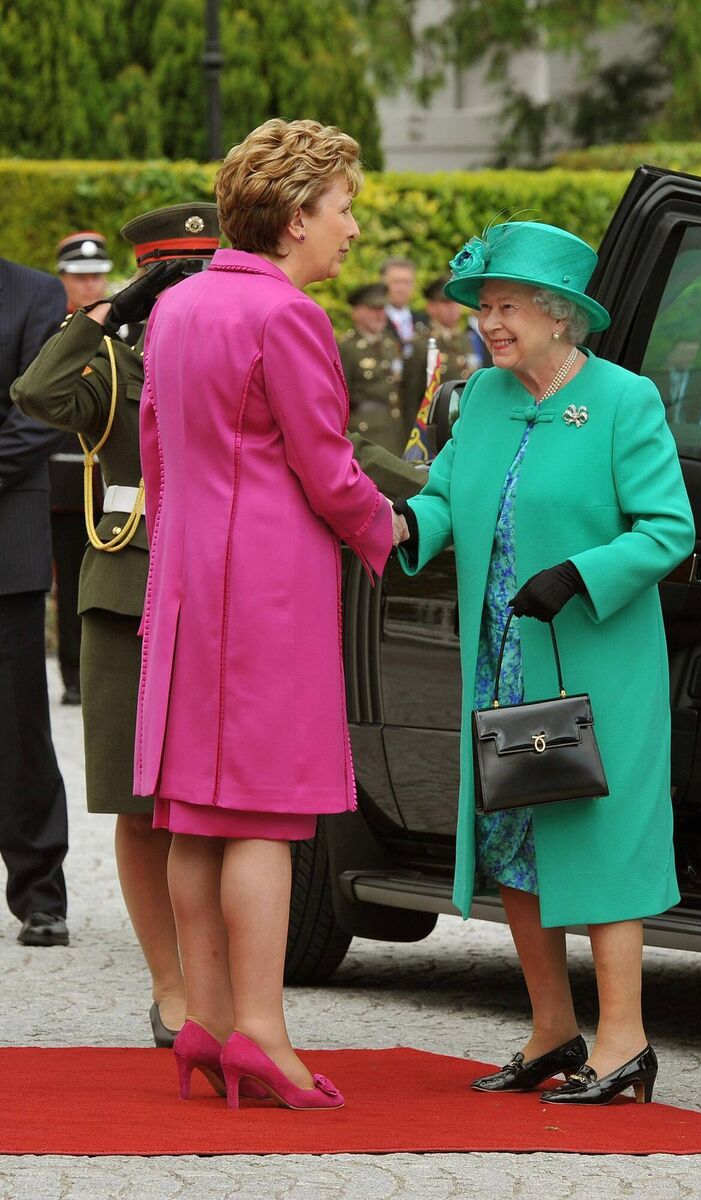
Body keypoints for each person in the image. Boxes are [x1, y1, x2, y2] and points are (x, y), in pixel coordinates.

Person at [134, 118, 408, 1111]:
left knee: (196, 815)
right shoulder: (288, 316)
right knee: (259, 814)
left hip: (188, 576)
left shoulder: (178, 305)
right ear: (296, 217)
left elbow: (157, 454)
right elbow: (329, 470)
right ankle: (259, 1031)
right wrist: (395, 533)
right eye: (342, 210)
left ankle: (203, 1021)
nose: (350, 231)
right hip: (267, 588)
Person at [394, 220, 695, 1106]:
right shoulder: (484, 396)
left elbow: (667, 528)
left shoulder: (621, 400)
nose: (489, 321)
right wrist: (398, 526)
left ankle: (625, 1040)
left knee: (595, 840)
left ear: (560, 316)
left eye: (507, 306)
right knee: (511, 841)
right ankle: (552, 1029)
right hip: (500, 665)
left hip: (590, 664)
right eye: (484, 306)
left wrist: (579, 573)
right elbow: (443, 495)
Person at [13, 203, 221, 1042]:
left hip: (219, 586)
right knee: (138, 805)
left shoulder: (244, 344)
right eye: (173, 274)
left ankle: (225, 980)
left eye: (201, 270)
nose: (187, 289)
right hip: (127, 586)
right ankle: (170, 987)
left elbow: (332, 441)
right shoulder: (109, 364)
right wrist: (108, 314)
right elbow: (35, 392)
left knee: (216, 803)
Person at [0, 256, 70, 947]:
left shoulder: (33, 293)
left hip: (5, 546)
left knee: (19, 732)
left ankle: (40, 895)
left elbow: (39, 412)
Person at [50, 231, 114, 705]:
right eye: (80, 277)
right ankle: (74, 676)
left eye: (97, 276)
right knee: (70, 582)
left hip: (112, 482)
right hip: (63, 482)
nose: (90, 286)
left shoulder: (122, 330)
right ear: (63, 279)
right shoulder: (49, 329)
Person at [338, 283, 406, 455]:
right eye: (373, 308)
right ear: (356, 312)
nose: (380, 314)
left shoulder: (390, 344)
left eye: (382, 308)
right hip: (365, 434)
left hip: (394, 428)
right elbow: (340, 399)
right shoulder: (347, 348)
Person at [402, 275, 480, 420]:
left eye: (455, 302)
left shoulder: (465, 338)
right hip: (436, 424)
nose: (452, 307)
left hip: (464, 420)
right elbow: (410, 398)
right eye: (445, 302)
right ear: (431, 307)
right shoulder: (422, 344)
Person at [381, 256, 428, 348]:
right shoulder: (377, 320)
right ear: (383, 284)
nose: (402, 289)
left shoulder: (424, 320)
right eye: (396, 282)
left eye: (406, 282)